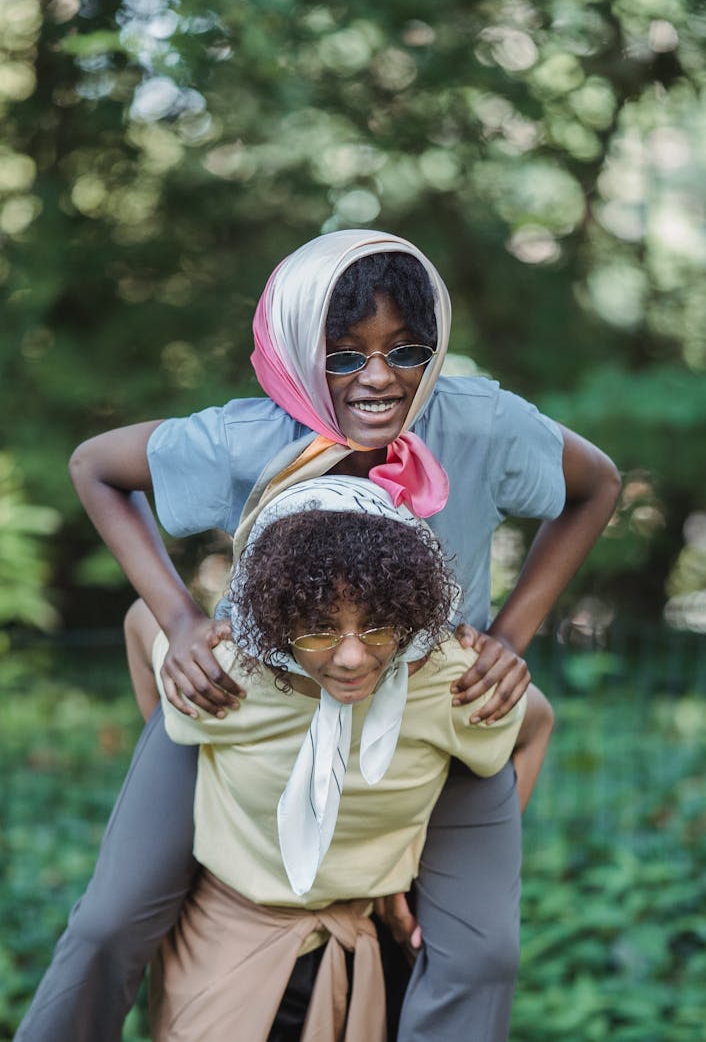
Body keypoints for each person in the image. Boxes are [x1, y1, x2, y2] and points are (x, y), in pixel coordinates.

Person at [15, 229, 621, 1042]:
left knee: (483, 955)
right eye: (344, 355)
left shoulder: (480, 422)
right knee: (110, 921)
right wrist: (183, 618)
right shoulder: (248, 436)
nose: (378, 375)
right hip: (254, 696)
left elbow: (598, 485)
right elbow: (96, 465)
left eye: (407, 349)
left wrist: (511, 634)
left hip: (431, 709)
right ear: (303, 347)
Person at [125, 475, 554, 1042]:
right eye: (321, 629)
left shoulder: (443, 679)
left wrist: (445, 877)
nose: (352, 656)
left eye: (377, 627)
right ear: (280, 617)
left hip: (370, 940)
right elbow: (140, 622)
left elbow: (535, 725)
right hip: (229, 940)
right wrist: (178, 749)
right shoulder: (228, 674)